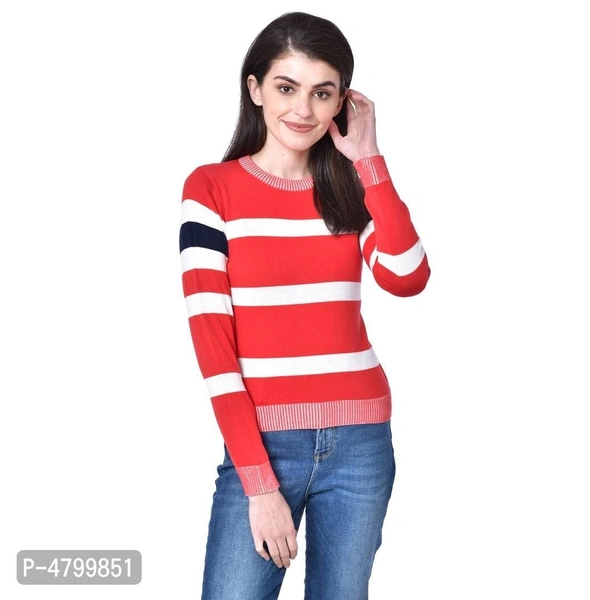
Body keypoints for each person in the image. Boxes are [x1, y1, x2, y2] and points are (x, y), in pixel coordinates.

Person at [179, 11, 431, 599]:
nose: (303, 109)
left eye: (322, 93)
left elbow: (407, 277)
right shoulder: (211, 189)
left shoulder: (349, 187)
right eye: (286, 87)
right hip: (264, 446)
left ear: (342, 101)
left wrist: (369, 159)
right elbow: (214, 348)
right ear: (255, 89)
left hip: (361, 441)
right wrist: (259, 482)